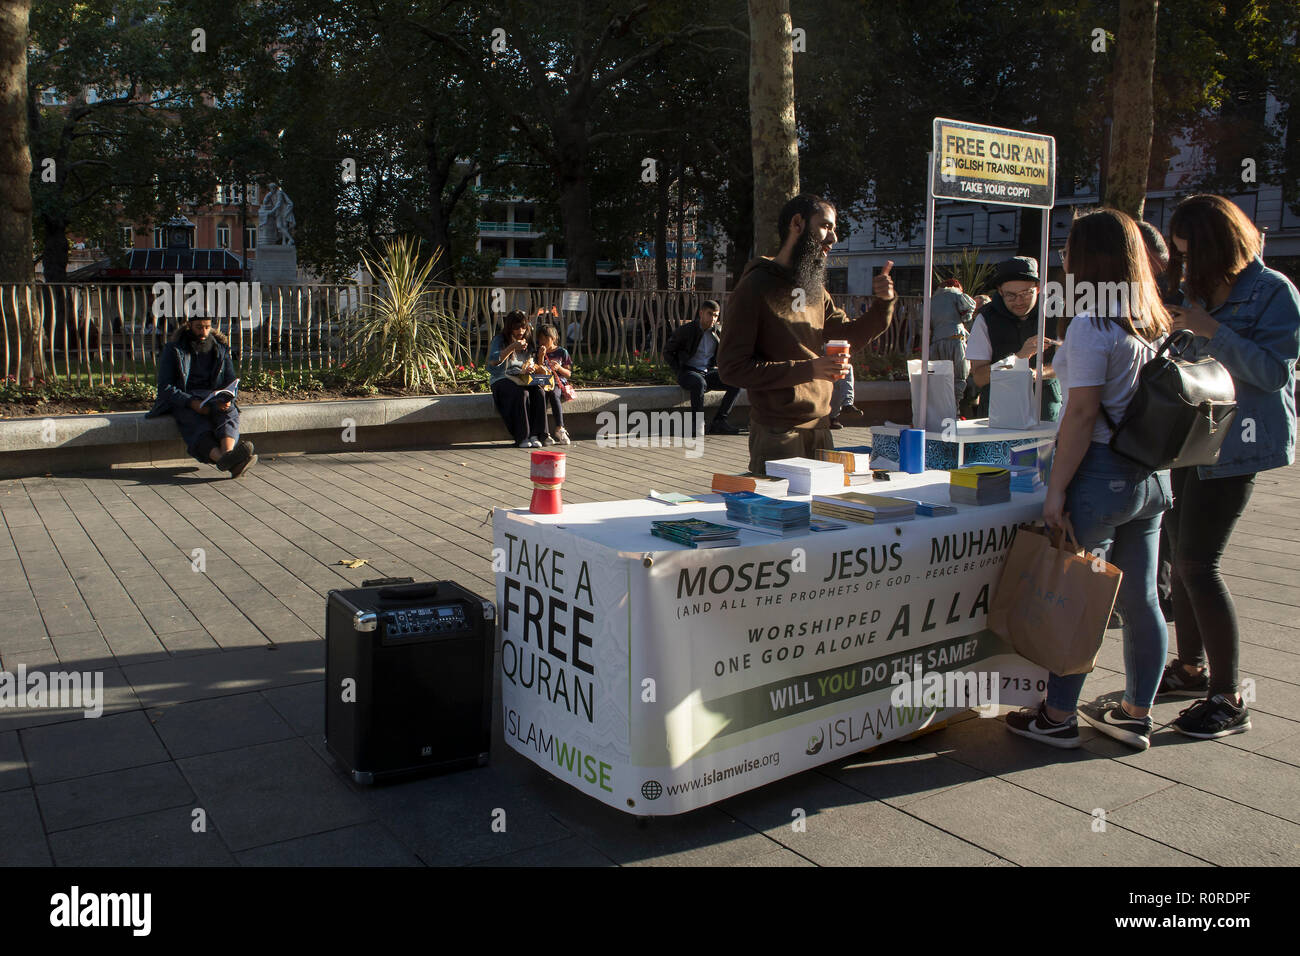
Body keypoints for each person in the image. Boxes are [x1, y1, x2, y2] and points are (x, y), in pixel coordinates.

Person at [1004, 208, 1173, 751]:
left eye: (1069, 248)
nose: (1061, 257)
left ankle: (1058, 716)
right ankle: (1135, 712)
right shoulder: (1149, 319)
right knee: (1142, 597)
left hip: (1099, 477)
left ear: (1087, 259)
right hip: (1149, 478)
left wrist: (1056, 490)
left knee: (1080, 593)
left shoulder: (1091, 324)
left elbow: (1080, 415)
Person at [1157, 194, 1300, 738]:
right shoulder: (1199, 288)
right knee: (1178, 554)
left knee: (1198, 564)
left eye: (1192, 255)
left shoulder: (1273, 292)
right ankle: (1191, 667)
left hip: (1238, 443)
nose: (1187, 266)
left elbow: (1272, 373)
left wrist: (1214, 330)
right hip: (1190, 437)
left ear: (1220, 245)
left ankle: (1228, 695)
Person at [718, 193, 895, 475]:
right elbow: (732, 369)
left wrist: (883, 304)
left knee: (824, 516)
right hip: (779, 434)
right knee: (784, 517)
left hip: (822, 429)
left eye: (834, 228)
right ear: (797, 223)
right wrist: (809, 369)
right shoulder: (754, 287)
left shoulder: (814, 288)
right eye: (825, 226)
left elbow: (848, 335)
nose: (833, 238)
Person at [146, 316, 256, 478]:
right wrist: (192, 403)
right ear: (189, 326)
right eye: (198, 327)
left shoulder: (220, 348)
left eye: (207, 327)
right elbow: (165, 387)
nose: (203, 332)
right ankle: (227, 461)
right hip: (184, 399)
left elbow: (230, 380)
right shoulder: (174, 349)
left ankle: (229, 455)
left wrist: (227, 399)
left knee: (229, 413)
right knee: (196, 424)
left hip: (213, 397)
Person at [966, 257, 1062, 421]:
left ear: (1038, 289)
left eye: (1026, 293)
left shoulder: (1056, 313)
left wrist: (1038, 373)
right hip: (999, 416)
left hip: (1046, 412)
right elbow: (979, 378)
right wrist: (1018, 358)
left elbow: (1071, 364)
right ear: (1000, 291)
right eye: (1010, 295)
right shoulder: (986, 319)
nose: (1019, 301)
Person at [664, 300, 741, 435]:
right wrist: (678, 370)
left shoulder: (718, 332)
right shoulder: (686, 330)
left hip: (707, 373)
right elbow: (667, 352)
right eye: (709, 314)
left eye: (716, 315)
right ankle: (697, 423)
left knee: (735, 382)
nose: (713, 318)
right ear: (701, 313)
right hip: (688, 372)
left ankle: (719, 422)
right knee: (699, 383)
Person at [488, 311, 548, 449]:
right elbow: (493, 362)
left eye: (523, 327)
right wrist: (512, 347)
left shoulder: (528, 339)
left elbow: (530, 361)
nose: (520, 331)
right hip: (502, 378)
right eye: (516, 328)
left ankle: (536, 434)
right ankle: (522, 436)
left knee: (539, 392)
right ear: (509, 327)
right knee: (522, 394)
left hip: (522, 377)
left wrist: (531, 367)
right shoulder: (500, 339)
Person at [930, 278, 977, 412]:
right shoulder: (957, 295)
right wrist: (965, 319)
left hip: (936, 342)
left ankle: (941, 410)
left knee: (940, 377)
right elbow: (968, 311)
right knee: (959, 375)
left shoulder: (931, 301)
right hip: (955, 338)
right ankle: (954, 409)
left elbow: (923, 323)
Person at [535, 324, 573, 446]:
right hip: (542, 380)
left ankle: (559, 428)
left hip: (556, 382)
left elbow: (568, 374)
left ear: (553, 337)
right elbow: (538, 370)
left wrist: (559, 368)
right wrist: (540, 356)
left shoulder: (562, 352)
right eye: (540, 339)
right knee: (540, 397)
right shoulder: (538, 351)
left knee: (553, 394)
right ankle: (544, 434)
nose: (543, 342)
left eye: (546, 338)